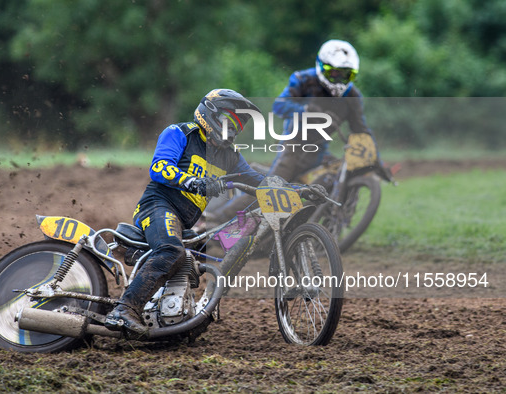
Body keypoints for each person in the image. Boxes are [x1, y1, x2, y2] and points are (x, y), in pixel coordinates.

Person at [104, 89, 267, 337]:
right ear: (210, 114)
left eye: (237, 126)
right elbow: (159, 167)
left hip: (184, 221)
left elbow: (257, 180)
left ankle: (181, 316)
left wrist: (293, 188)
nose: (232, 130)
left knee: (207, 252)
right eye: (229, 122)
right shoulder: (179, 133)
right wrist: (193, 181)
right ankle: (124, 309)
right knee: (172, 250)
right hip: (158, 205)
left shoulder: (229, 156)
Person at [208, 39, 377, 222]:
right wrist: (304, 111)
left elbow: (361, 130)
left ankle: (313, 231)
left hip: (320, 151)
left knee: (326, 184)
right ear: (322, 66)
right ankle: (217, 219)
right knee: (272, 189)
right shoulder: (303, 79)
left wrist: (376, 161)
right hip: (293, 145)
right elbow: (280, 105)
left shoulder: (353, 96)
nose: (338, 79)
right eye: (334, 73)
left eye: (346, 75)